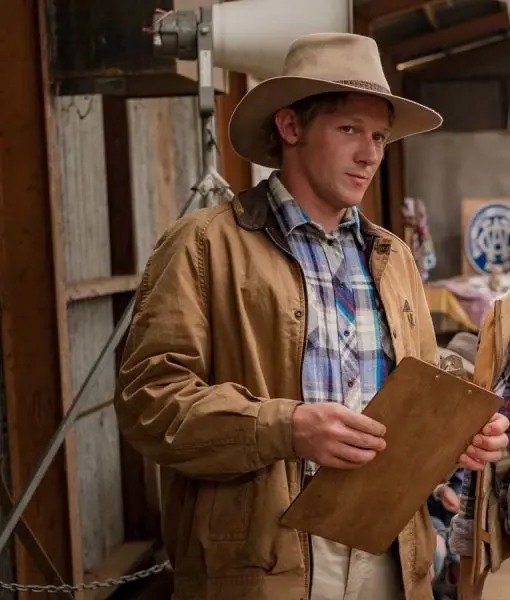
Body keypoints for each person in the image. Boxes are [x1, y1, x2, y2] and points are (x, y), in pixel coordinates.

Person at [115, 33, 509, 600]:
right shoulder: (204, 246)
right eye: (349, 129)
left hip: (391, 553)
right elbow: (148, 401)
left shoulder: (392, 256)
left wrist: (458, 431)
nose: (370, 154)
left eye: (378, 136)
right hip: (264, 558)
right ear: (290, 127)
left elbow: (419, 384)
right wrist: (287, 427)